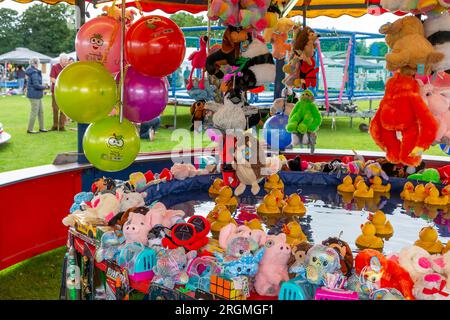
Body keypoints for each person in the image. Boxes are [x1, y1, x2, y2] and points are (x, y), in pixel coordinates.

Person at [25, 57, 49, 134]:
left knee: (41, 112)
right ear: (36, 63)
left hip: (37, 95)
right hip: (34, 95)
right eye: (38, 63)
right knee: (34, 112)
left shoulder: (33, 71)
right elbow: (36, 85)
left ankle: (42, 128)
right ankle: (30, 129)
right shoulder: (34, 72)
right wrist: (45, 87)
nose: (39, 64)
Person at [50, 53, 69, 131]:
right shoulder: (55, 67)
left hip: (64, 92)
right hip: (55, 91)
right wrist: (59, 84)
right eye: (65, 60)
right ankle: (55, 126)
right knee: (55, 109)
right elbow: (52, 79)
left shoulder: (67, 68)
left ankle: (61, 126)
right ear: (60, 60)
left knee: (63, 109)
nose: (66, 62)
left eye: (67, 60)